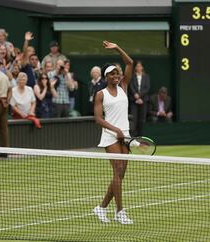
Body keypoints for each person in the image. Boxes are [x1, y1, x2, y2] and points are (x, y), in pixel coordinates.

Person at [93, 41, 134, 225]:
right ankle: (120, 211)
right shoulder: (101, 94)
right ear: (106, 77)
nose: (116, 75)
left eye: (117, 73)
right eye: (112, 73)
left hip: (124, 135)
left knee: (120, 174)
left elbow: (130, 63)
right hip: (111, 135)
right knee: (117, 170)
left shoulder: (124, 86)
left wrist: (118, 48)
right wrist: (116, 130)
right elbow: (98, 119)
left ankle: (101, 208)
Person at [128, 61, 150, 136]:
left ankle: (141, 136)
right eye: (137, 66)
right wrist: (135, 95)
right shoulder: (132, 77)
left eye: (140, 66)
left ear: (142, 67)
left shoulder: (146, 77)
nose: (138, 68)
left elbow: (147, 88)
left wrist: (139, 96)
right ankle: (133, 136)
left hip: (143, 101)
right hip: (134, 101)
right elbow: (131, 87)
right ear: (135, 68)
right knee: (134, 119)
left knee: (142, 119)